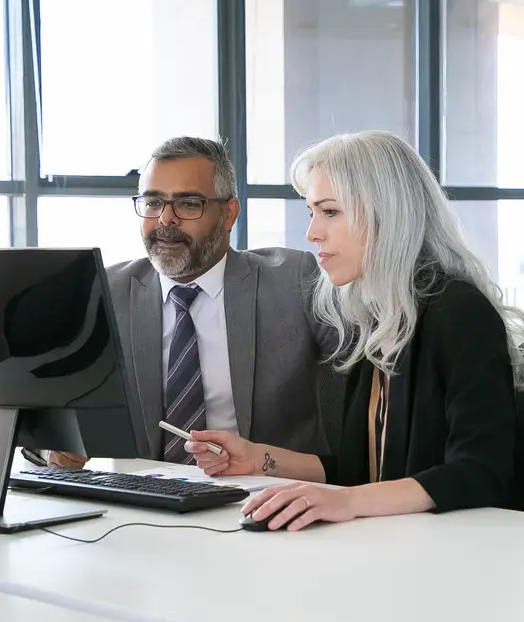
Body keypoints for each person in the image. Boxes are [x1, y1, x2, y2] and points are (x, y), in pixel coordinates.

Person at [184, 130, 524, 530]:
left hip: (461, 554)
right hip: (396, 545)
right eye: (311, 213)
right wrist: (257, 458)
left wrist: (346, 502)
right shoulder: (377, 318)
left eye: (330, 212)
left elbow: (479, 472)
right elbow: (361, 472)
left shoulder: (459, 312)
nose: (312, 233)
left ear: (388, 213)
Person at [43, 136, 337, 468]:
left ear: (229, 214)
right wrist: (58, 450)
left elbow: (366, 386)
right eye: (154, 203)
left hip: (272, 497)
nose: (166, 219)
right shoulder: (106, 293)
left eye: (188, 203)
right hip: (147, 502)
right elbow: (44, 417)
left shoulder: (293, 280)